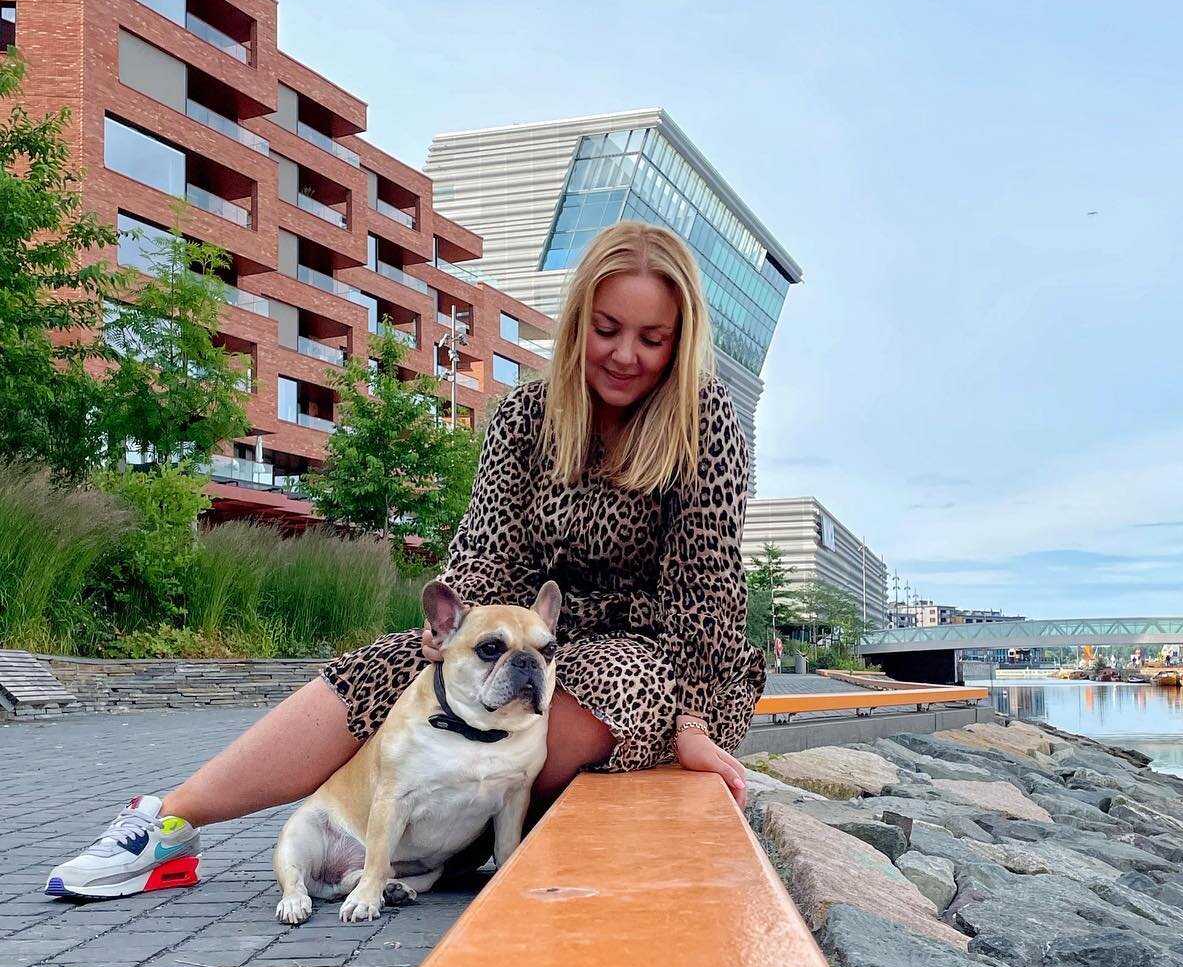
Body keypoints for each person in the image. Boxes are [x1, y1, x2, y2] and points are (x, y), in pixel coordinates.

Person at [46, 222, 767, 900]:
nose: (624, 355)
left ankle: (442, 847)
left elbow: (707, 593)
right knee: (390, 668)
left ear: (681, 341)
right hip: (530, 634)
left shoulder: (704, 426)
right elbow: (487, 550)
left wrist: (695, 724)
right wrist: (445, 637)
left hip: (665, 659)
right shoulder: (525, 417)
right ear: (580, 323)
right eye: (607, 330)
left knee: (604, 676)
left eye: (652, 339)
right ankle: (166, 823)